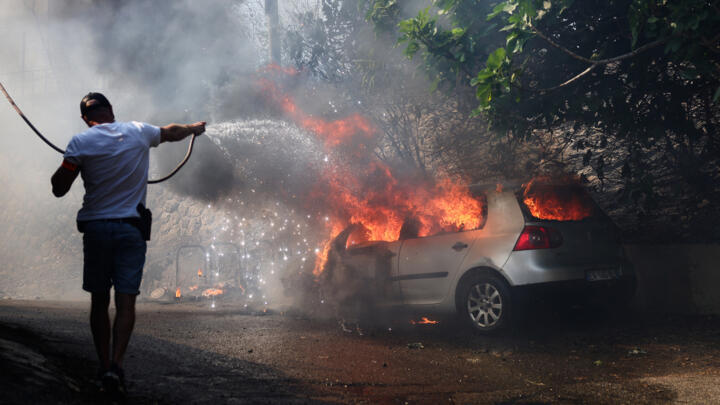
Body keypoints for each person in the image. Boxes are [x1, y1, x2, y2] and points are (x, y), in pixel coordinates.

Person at [51, 92, 206, 395]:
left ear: (85, 118)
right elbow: (171, 132)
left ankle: (103, 363)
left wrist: (73, 164)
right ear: (111, 110)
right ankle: (116, 367)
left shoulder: (80, 143)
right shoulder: (137, 131)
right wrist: (192, 128)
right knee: (126, 300)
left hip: (96, 230)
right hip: (130, 232)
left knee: (99, 300)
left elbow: (59, 188)